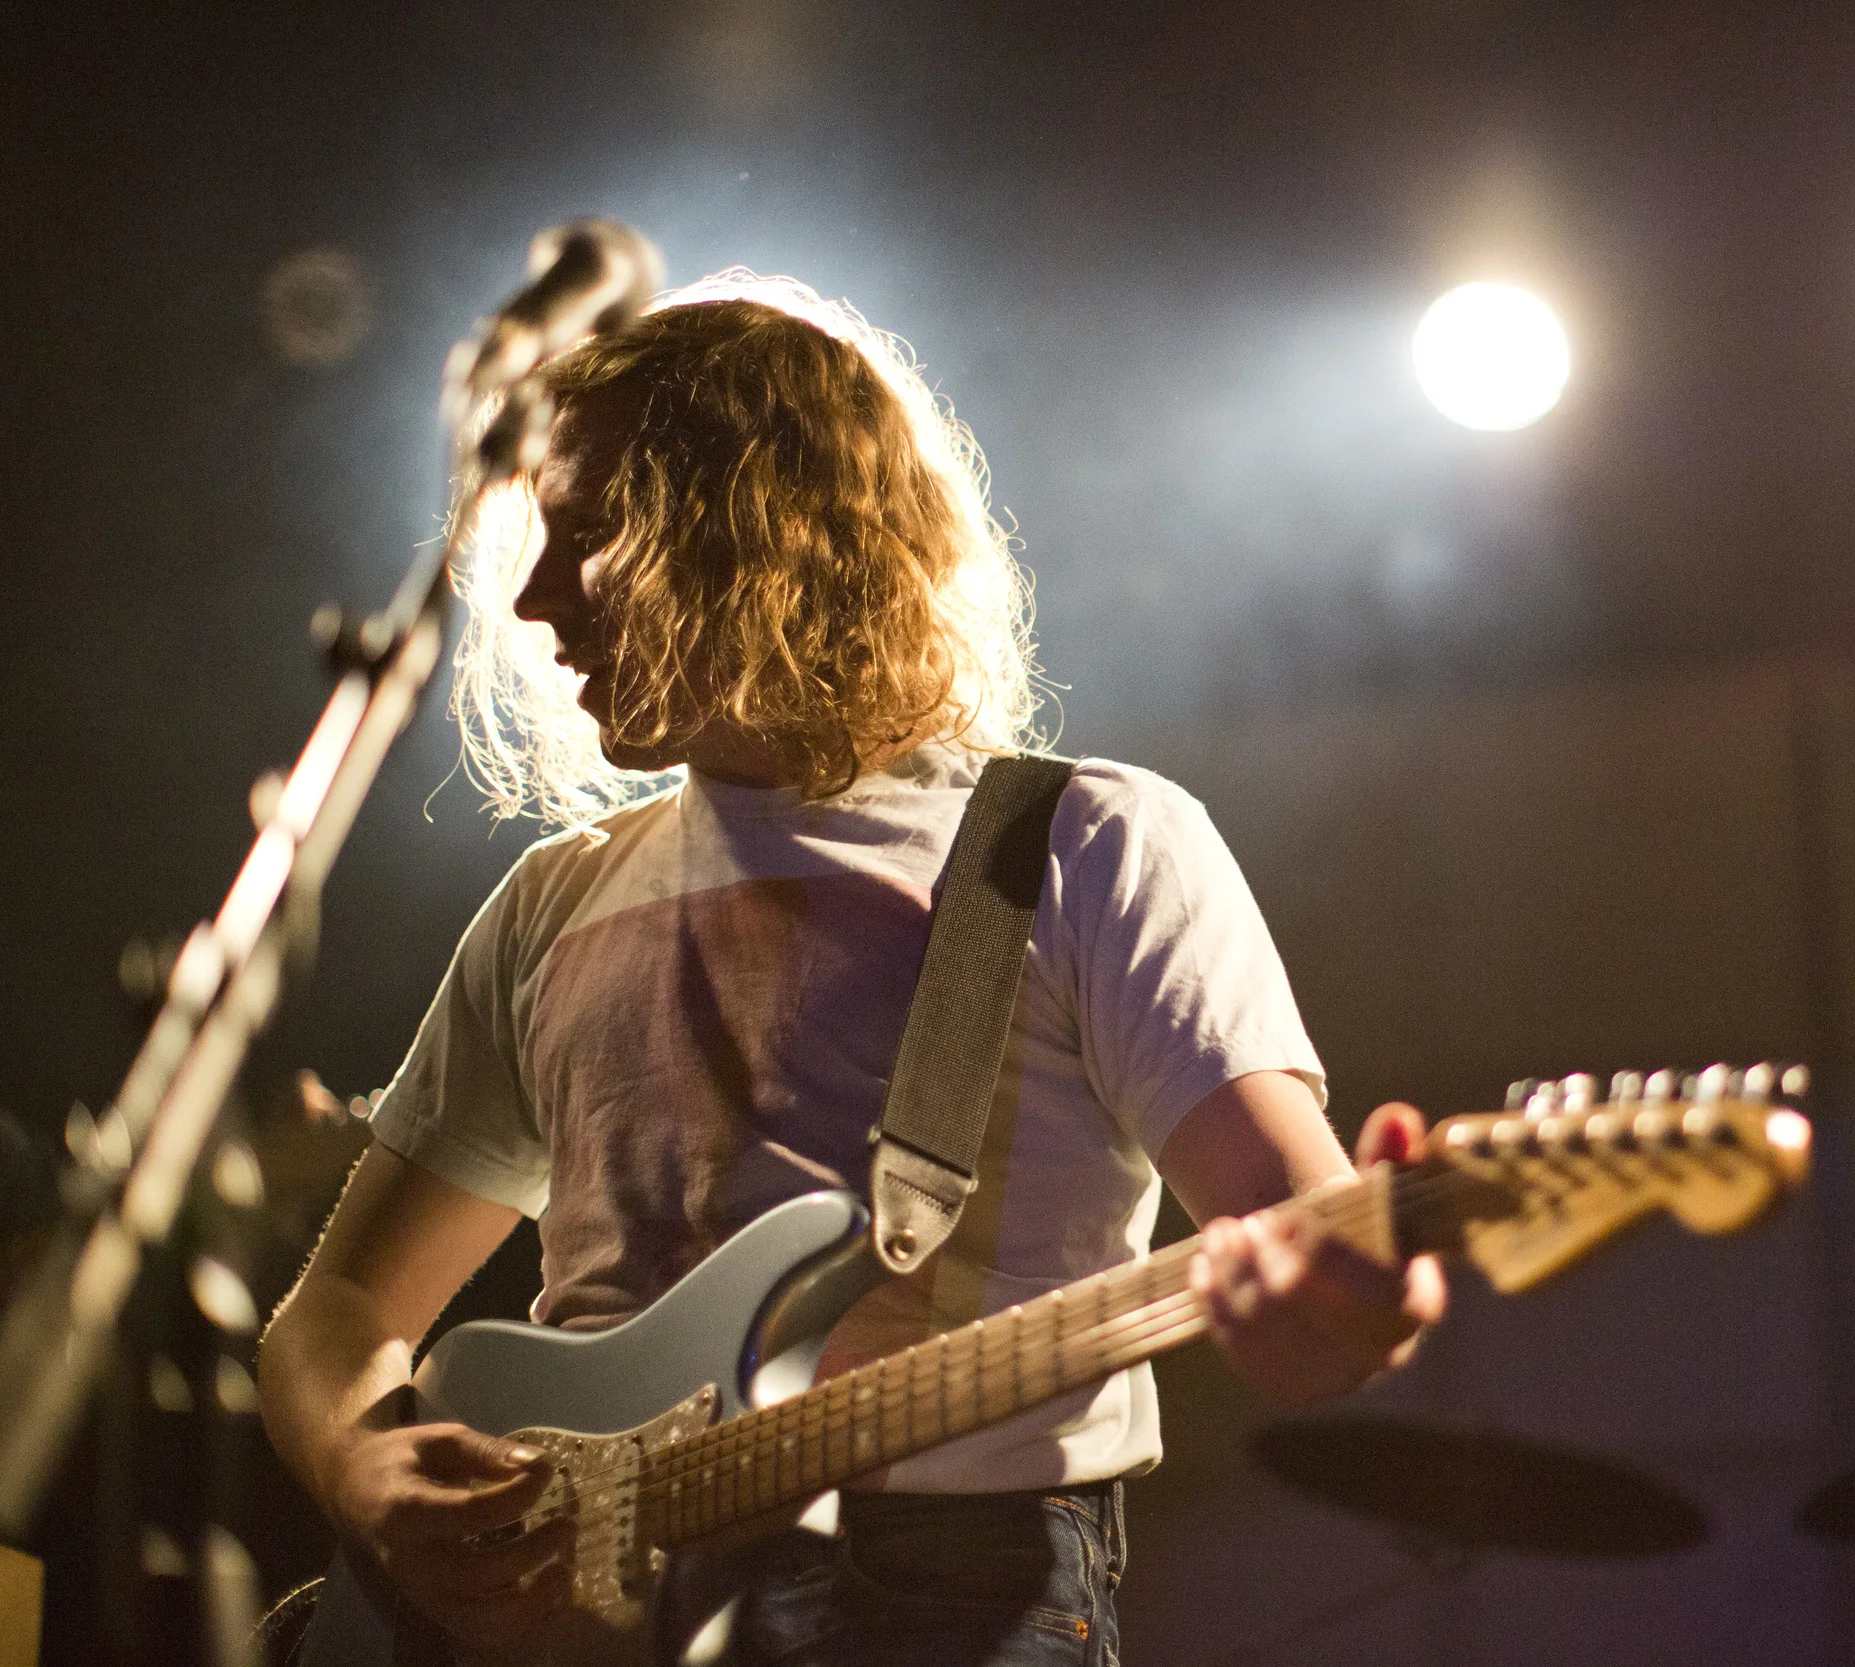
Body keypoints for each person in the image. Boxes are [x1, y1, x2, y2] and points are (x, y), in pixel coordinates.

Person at [256, 274, 1446, 1667]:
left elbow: (1304, 1254)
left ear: (749, 534)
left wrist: (1355, 1310)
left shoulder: (1078, 845)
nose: (530, 602)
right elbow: (334, 1312)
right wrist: (366, 1472)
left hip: (939, 1589)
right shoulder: (552, 901)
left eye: (588, 536)